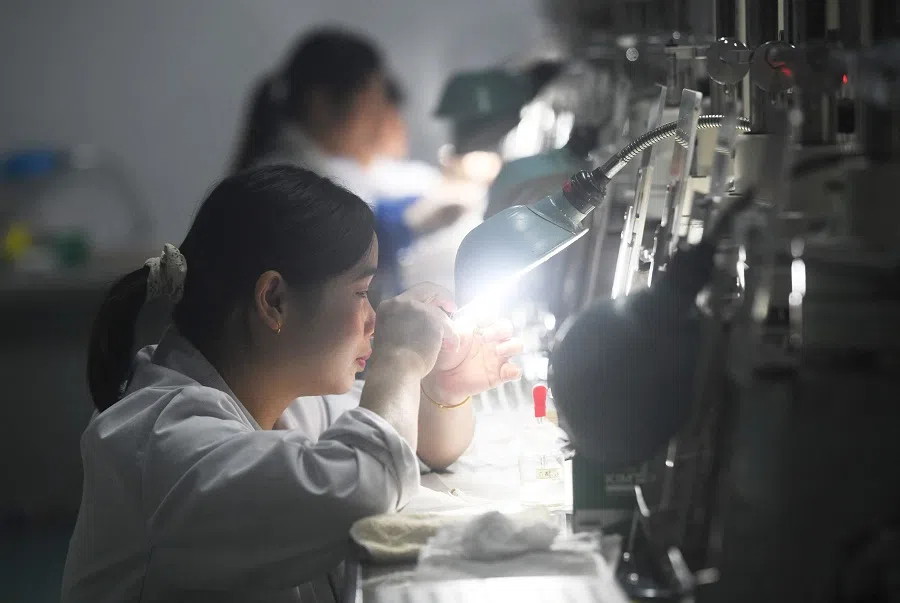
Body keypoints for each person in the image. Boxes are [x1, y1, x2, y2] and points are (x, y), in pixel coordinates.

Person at [61, 165, 522, 602]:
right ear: (274, 300)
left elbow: (414, 449)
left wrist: (440, 388)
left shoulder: (280, 399)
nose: (372, 319)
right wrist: (399, 360)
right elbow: (369, 487)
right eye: (361, 294)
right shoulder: (165, 439)